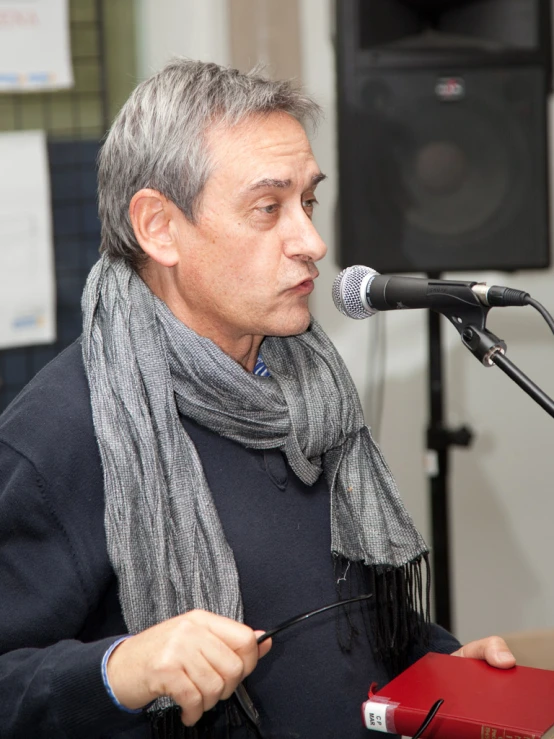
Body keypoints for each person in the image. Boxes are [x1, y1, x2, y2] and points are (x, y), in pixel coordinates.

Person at [0, 58, 515, 739]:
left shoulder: (313, 390)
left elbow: (348, 612)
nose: (312, 242)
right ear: (158, 227)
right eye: (268, 208)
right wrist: (120, 669)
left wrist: (439, 665)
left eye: (307, 202)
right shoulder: (57, 434)